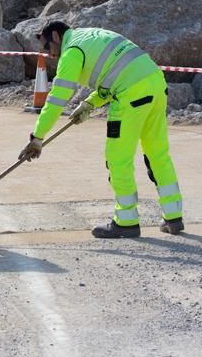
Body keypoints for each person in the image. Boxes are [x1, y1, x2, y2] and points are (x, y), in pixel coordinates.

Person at [19, 21, 184, 238]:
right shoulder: (91, 36)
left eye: (47, 47)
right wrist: (88, 104)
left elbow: (57, 99)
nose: (47, 54)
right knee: (157, 154)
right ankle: (173, 217)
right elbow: (115, 73)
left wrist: (37, 137)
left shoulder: (71, 51)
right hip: (155, 84)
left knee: (118, 158)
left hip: (130, 95)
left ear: (57, 36)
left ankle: (126, 221)